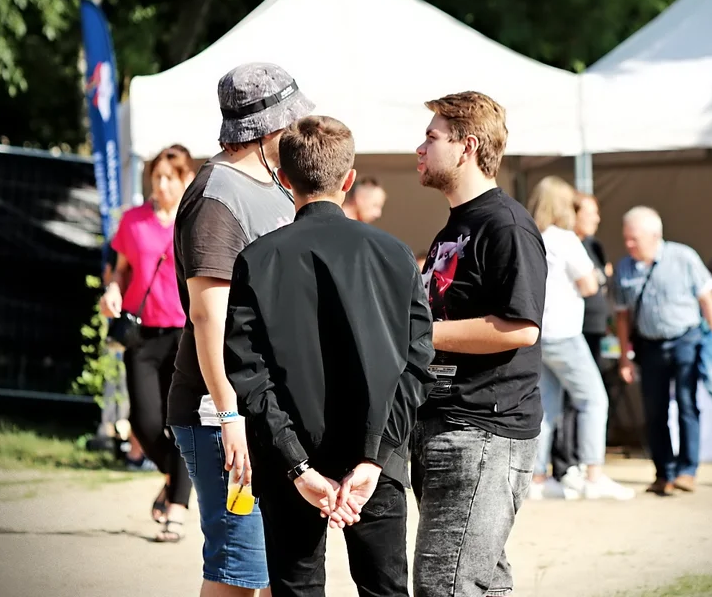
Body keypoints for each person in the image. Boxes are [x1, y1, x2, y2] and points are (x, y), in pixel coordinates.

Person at [222, 116, 435, 597]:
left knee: (296, 590)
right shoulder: (395, 253)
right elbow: (418, 363)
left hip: (289, 455)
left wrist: (296, 464)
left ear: (283, 179)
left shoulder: (257, 260)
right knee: (386, 591)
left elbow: (248, 375)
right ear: (349, 180)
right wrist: (376, 457)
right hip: (374, 456)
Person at [167, 62, 314, 596]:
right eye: (294, 121)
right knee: (237, 574)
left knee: (274, 571)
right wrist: (228, 413)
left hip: (262, 410)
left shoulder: (273, 185)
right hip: (219, 415)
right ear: (270, 128)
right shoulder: (215, 195)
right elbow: (209, 314)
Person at [412, 91, 546, 597]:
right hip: (450, 423)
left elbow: (520, 327)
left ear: (466, 146)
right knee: (481, 585)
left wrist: (418, 336)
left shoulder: (505, 225)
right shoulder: (459, 224)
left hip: (483, 430)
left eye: (431, 137)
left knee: (445, 587)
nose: (419, 149)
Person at [100, 144, 195, 541]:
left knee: (184, 423)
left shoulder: (195, 219)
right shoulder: (134, 221)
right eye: (156, 176)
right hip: (143, 333)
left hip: (186, 334)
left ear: (186, 178)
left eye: (170, 176)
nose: (161, 183)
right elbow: (118, 271)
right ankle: (176, 476)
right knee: (145, 421)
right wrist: (112, 293)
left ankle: (176, 508)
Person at [527, 177, 632, 501]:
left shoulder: (532, 235)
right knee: (594, 400)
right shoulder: (564, 238)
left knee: (547, 406)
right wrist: (603, 276)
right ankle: (593, 474)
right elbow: (589, 285)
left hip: (539, 333)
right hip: (564, 333)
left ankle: (539, 478)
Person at [614, 207, 712, 496]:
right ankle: (664, 473)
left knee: (687, 405)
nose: (628, 245)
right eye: (626, 239)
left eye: (634, 239)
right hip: (649, 347)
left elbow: (708, 301)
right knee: (655, 411)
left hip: (685, 340)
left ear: (655, 236)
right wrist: (625, 357)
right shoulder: (624, 268)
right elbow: (623, 317)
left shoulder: (684, 257)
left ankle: (688, 471)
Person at [551, 192, 612, 479]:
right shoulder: (564, 240)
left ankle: (564, 466)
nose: (596, 218)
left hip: (591, 328)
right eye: (591, 212)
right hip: (570, 331)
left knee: (571, 400)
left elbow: (602, 279)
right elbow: (591, 283)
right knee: (581, 399)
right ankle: (580, 468)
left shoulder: (593, 245)